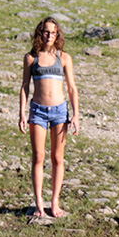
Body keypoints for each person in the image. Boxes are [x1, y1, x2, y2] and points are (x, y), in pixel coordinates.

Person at [18, 17, 80, 220]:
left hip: (60, 112)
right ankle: (39, 203)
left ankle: (54, 201)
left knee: (57, 158)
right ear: (40, 33)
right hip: (37, 111)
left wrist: (76, 114)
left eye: (53, 32)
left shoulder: (64, 57)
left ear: (57, 34)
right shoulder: (31, 58)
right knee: (38, 157)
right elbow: (25, 86)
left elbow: (72, 88)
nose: (49, 36)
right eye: (46, 32)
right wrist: (22, 113)